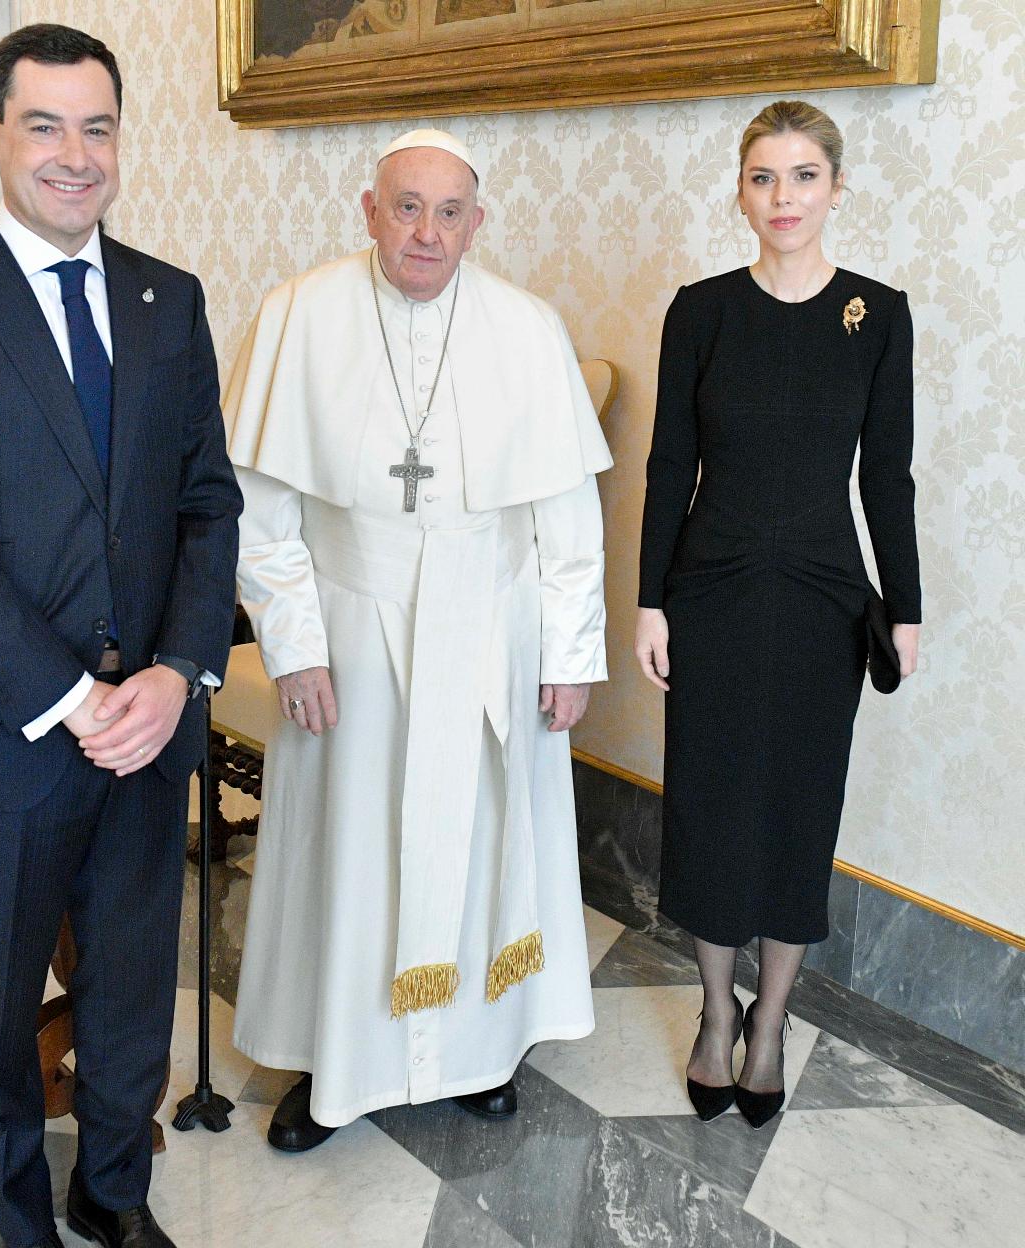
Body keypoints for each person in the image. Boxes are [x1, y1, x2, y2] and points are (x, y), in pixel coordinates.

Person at [0, 24, 242, 1248]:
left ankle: (114, 1195)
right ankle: (21, 1214)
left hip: (149, 729)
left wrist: (179, 674)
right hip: (6, 734)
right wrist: (77, 699)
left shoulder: (167, 298)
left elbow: (205, 507)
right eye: (44, 125)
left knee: (131, 993)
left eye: (97, 127)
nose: (74, 156)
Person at [223, 129, 613, 1150]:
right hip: (353, 636)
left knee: (488, 842)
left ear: (477, 223)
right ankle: (334, 1067)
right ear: (368, 209)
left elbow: (568, 516)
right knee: (347, 852)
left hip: (491, 630)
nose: (427, 232)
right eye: (407, 207)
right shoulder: (297, 316)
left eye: (450, 212)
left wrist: (570, 655)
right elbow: (261, 510)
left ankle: (478, 1054)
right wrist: (295, 644)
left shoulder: (527, 331)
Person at [634, 100, 921, 1129]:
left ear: (837, 189)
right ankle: (717, 1013)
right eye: (763, 176)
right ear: (740, 192)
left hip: (822, 603)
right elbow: (671, 464)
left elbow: (888, 475)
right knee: (710, 812)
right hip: (710, 594)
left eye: (804, 176)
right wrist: (650, 600)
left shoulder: (878, 314)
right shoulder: (700, 310)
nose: (783, 197)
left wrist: (910, 608)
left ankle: (773, 1021)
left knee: (798, 809)